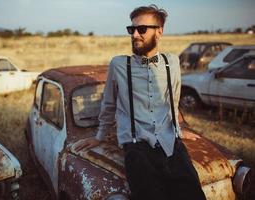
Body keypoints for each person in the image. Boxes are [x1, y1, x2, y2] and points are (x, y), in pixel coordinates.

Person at [75, 4, 206, 200]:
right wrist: (100, 135)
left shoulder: (172, 62)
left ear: (159, 32)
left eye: (142, 29)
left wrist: (178, 128)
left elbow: (173, 99)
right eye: (132, 29)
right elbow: (109, 103)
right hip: (137, 147)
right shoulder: (119, 65)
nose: (135, 35)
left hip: (171, 143)